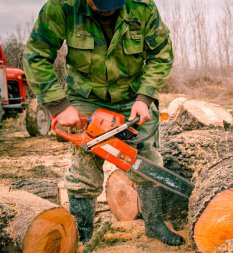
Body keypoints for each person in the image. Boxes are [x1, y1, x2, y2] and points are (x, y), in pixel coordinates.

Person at [23, 0, 184, 246]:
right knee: (83, 171)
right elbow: (36, 57)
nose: (108, 8)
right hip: (86, 97)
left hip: (132, 96)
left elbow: (161, 55)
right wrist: (60, 106)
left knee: (149, 161)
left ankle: (154, 225)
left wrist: (145, 97)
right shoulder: (62, 7)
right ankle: (83, 233)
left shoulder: (142, 7)